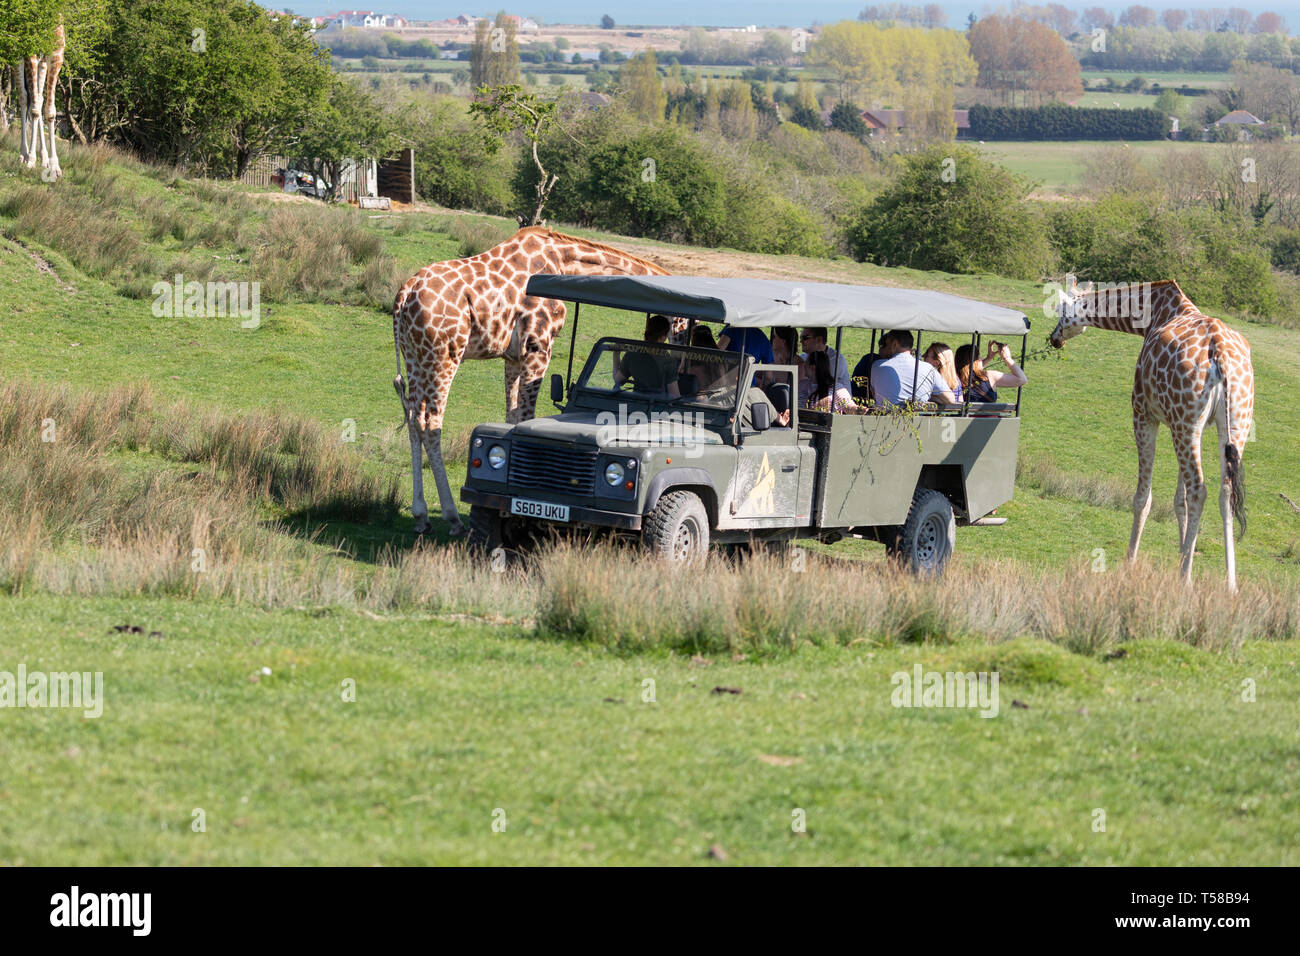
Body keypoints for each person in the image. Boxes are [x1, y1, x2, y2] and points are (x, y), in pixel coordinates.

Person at [869, 329, 956, 407]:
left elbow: (874, 393)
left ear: (894, 344)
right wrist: (926, 397)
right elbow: (950, 400)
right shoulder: (928, 368)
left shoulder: (877, 366)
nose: (885, 348)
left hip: (883, 419)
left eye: (887, 344)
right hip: (919, 420)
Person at [613, 314, 680, 397]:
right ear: (663, 337)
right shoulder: (668, 361)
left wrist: (616, 354)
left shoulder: (632, 354)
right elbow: (674, 396)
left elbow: (618, 380)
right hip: (658, 407)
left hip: (635, 404)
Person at [955, 341, 1028, 404]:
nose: (981, 359)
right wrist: (1007, 358)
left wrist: (988, 358)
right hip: (988, 419)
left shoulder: (954, 379)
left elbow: (970, 369)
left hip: (964, 420)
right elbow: (1021, 379)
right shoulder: (990, 376)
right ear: (976, 361)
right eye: (979, 357)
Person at [800, 328, 850, 394]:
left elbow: (823, 385)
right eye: (800, 337)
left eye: (805, 338)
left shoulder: (836, 360)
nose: (801, 341)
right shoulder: (803, 357)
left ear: (819, 340)